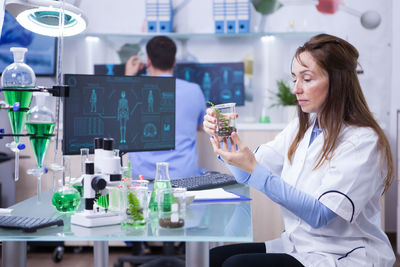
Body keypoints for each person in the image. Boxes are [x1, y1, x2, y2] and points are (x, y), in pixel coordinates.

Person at [203, 34, 395, 267]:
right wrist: (224, 139)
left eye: (306, 79)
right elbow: (247, 173)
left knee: (235, 265)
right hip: (300, 245)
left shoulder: (363, 141)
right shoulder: (303, 128)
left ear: (337, 81)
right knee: (211, 259)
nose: (296, 89)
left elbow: (320, 215)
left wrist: (253, 167)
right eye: (294, 79)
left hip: (342, 254)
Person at [125, 36, 206, 179]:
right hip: (184, 178)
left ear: (148, 61)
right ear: (174, 62)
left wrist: (128, 76)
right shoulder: (194, 90)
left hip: (142, 180)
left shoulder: (132, 90)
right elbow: (201, 126)